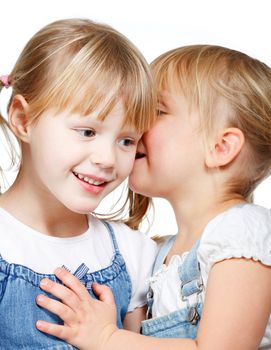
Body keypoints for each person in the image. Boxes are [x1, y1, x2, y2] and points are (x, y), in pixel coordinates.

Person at [36, 44, 271, 350]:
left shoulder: (242, 232)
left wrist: (107, 337)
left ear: (221, 147)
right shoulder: (163, 253)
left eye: (157, 111)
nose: (137, 124)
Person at [0, 18, 158, 349]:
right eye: (87, 131)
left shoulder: (134, 254)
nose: (108, 159)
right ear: (23, 119)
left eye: (127, 140)